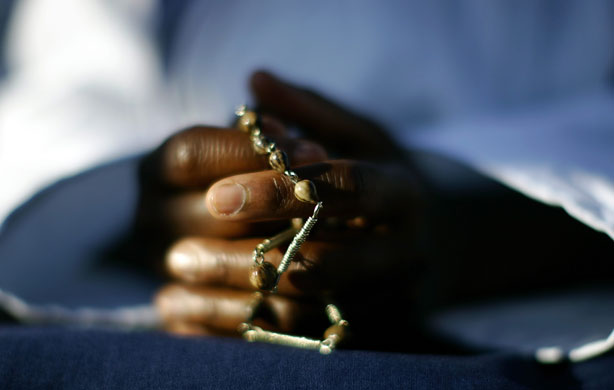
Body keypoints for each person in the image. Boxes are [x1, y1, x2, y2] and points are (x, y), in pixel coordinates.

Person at [0, 0, 613, 364]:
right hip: (151, 314)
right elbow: (67, 80)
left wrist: (475, 220)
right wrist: (134, 197)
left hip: (548, 300)